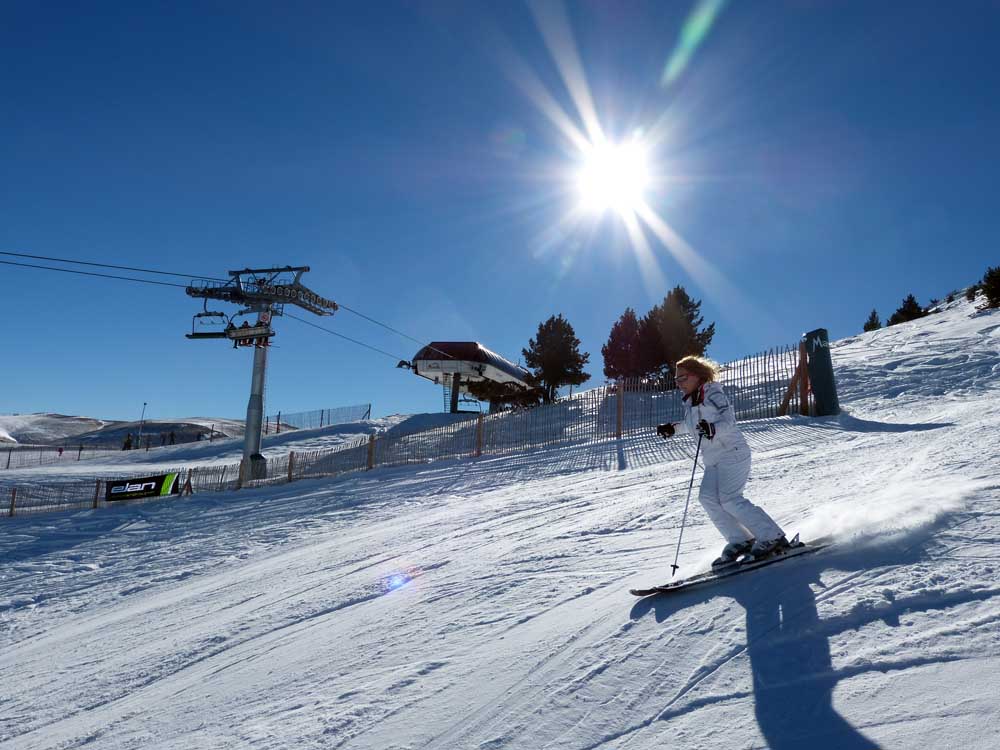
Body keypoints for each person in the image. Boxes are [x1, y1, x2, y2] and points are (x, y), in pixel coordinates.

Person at [657, 355, 788, 567]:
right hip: (713, 459)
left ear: (696, 376)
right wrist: (673, 428)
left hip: (732, 453)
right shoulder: (691, 401)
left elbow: (729, 421)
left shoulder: (713, 393)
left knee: (729, 499)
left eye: (682, 378)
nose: (678, 383)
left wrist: (713, 429)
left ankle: (772, 536)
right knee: (707, 498)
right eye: (676, 379)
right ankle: (741, 540)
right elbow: (695, 425)